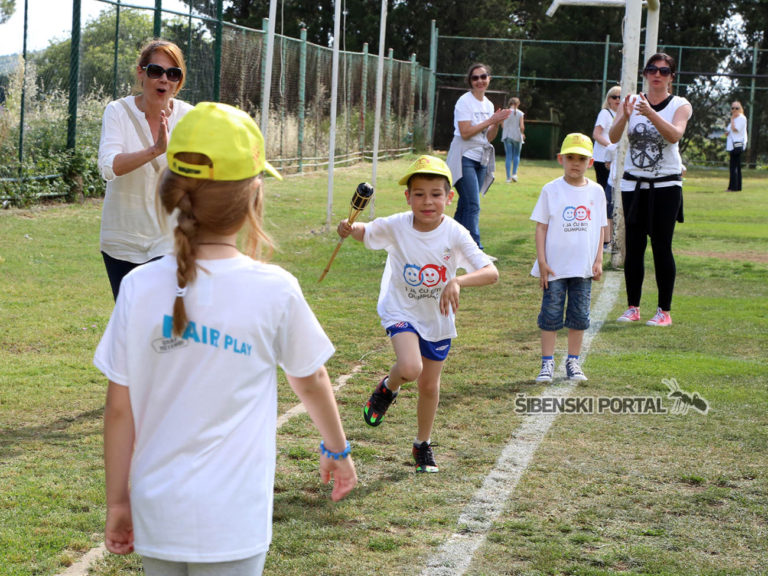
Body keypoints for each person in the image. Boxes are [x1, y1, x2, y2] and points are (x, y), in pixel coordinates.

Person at [95, 102, 357, 575]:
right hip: (234, 521)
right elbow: (312, 378)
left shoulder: (137, 287)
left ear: (170, 193)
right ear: (253, 200)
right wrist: (337, 449)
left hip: (158, 514)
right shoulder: (275, 289)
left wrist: (117, 501)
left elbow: (119, 408)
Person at [336, 155, 498, 473]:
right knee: (410, 367)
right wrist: (348, 228)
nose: (428, 201)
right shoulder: (396, 225)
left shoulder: (455, 233)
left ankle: (421, 444)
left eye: (436, 194)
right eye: (419, 194)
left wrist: (457, 280)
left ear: (449, 198)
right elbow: (366, 232)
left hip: (437, 317)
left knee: (428, 385)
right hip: (400, 308)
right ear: (408, 197)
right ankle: (388, 387)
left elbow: (491, 272)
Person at [98, 39, 194, 300]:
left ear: (179, 80)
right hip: (122, 240)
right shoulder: (117, 111)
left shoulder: (189, 117)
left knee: (164, 323)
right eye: (156, 71)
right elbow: (109, 166)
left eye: (173, 73)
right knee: (130, 322)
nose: (164, 79)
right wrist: (155, 150)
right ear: (141, 73)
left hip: (169, 239)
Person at [609, 53, 692, 327]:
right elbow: (612, 136)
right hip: (634, 183)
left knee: (661, 246)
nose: (657, 74)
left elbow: (674, 135)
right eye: (652, 69)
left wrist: (650, 113)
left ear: (671, 76)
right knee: (633, 247)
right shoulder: (630, 100)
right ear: (645, 74)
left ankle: (664, 311)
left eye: (664, 70)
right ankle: (633, 307)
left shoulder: (680, 104)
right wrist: (626, 116)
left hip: (666, 185)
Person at [531, 134, 607, 383]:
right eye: (570, 157)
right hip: (554, 268)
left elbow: (600, 228)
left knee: (579, 316)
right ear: (560, 159)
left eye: (581, 158)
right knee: (550, 316)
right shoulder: (551, 190)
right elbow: (541, 227)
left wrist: (598, 260)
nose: (575, 163)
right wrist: (542, 262)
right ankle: (547, 363)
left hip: (583, 268)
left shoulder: (596, 192)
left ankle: (573, 362)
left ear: (591, 162)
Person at [446, 63, 511, 253]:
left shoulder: (489, 104)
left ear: (489, 78)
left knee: (466, 205)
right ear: (470, 81)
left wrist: (496, 124)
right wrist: (490, 120)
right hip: (463, 156)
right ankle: (476, 250)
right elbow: (465, 133)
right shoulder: (464, 101)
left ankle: (450, 244)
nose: (480, 81)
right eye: (475, 78)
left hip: (480, 157)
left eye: (483, 76)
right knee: (473, 205)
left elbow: (488, 137)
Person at [592, 85, 621, 252]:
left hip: (614, 160)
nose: (617, 100)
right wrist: (610, 146)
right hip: (603, 159)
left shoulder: (620, 115)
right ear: (609, 100)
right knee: (605, 198)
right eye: (614, 97)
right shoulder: (605, 114)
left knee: (612, 199)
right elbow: (596, 134)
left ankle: (609, 237)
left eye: (620, 97)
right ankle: (604, 239)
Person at [501, 96, 525, 182]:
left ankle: (508, 178)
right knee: (516, 155)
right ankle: (514, 174)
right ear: (518, 104)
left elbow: (502, 125)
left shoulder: (504, 112)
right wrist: (522, 133)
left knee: (508, 156)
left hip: (507, 136)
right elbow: (521, 126)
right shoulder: (520, 113)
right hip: (517, 136)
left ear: (509, 103)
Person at [726, 100, 748, 192]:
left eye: (737, 108)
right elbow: (729, 130)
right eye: (733, 108)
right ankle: (737, 187)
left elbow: (735, 129)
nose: (734, 110)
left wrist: (732, 119)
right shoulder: (734, 119)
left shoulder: (742, 118)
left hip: (738, 144)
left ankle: (733, 187)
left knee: (734, 166)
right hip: (732, 144)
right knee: (736, 166)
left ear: (740, 108)